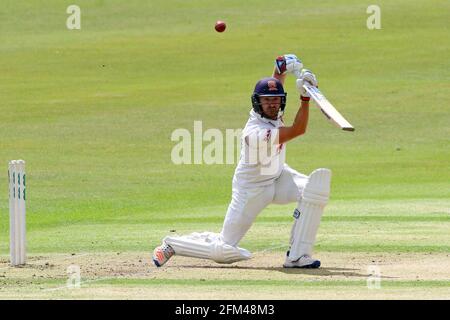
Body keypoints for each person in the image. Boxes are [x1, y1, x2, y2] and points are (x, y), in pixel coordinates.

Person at [152, 54, 331, 268]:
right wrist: (305, 98)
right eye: (267, 101)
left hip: (278, 176)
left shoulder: (273, 111)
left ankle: (297, 256)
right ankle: (173, 245)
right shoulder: (255, 132)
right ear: (258, 103)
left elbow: (274, 86)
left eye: (276, 100)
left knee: (314, 190)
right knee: (223, 250)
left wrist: (280, 68)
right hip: (252, 189)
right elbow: (298, 130)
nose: (273, 105)